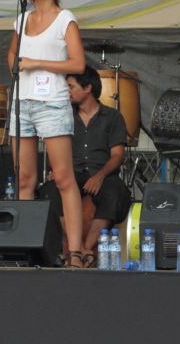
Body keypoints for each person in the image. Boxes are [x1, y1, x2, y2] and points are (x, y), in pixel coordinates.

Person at [7, 0, 87, 267]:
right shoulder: (22, 19)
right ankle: (26, 247)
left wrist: (38, 63)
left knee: (64, 178)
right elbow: (12, 54)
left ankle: (76, 251)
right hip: (23, 102)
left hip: (52, 102)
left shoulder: (64, 17)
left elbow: (78, 64)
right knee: (24, 178)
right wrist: (15, 64)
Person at [42, 67, 131, 266]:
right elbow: (54, 152)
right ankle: (80, 250)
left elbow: (117, 155)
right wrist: (55, 171)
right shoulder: (64, 115)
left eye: (71, 87)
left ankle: (88, 247)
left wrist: (99, 176)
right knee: (49, 191)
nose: (67, 91)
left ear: (88, 87)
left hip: (103, 174)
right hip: (71, 174)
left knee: (115, 192)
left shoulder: (113, 117)